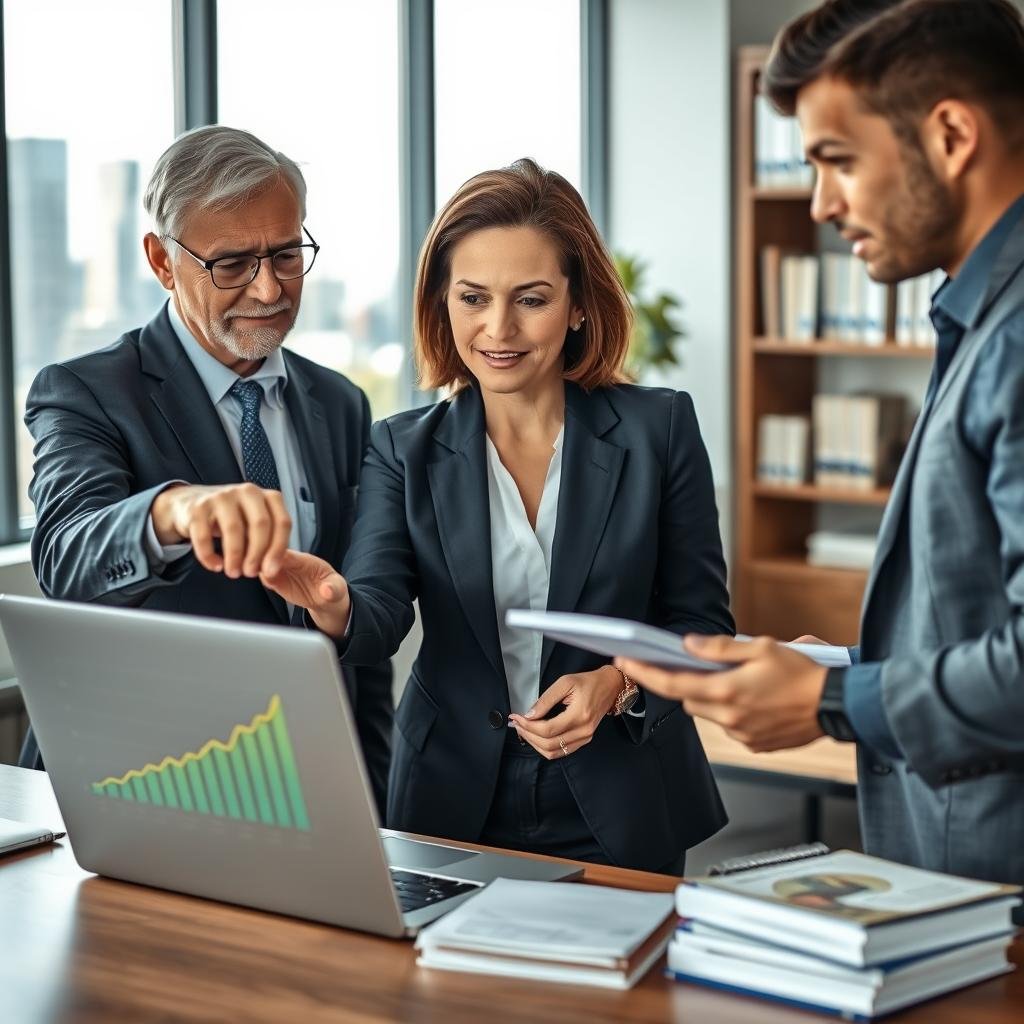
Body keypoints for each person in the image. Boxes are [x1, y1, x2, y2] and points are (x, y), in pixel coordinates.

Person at [615, 0, 1024, 905]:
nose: (821, 203)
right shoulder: (980, 314)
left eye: (838, 160)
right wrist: (835, 668)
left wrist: (833, 703)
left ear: (952, 133)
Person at [257, 158, 734, 873]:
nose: (499, 328)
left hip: (621, 790)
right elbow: (379, 613)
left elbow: (701, 624)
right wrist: (334, 603)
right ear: (442, 306)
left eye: (531, 299)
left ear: (577, 304)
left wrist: (617, 683)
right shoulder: (402, 446)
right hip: (451, 794)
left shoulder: (657, 430)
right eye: (473, 298)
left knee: (617, 984)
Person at [22, 125, 392, 815]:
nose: (270, 286)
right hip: (139, 791)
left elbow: (356, 644)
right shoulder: (85, 390)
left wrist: (377, 810)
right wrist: (175, 510)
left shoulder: (339, 403)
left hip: (305, 795)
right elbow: (66, 558)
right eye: (232, 265)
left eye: (286, 253)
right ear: (163, 262)